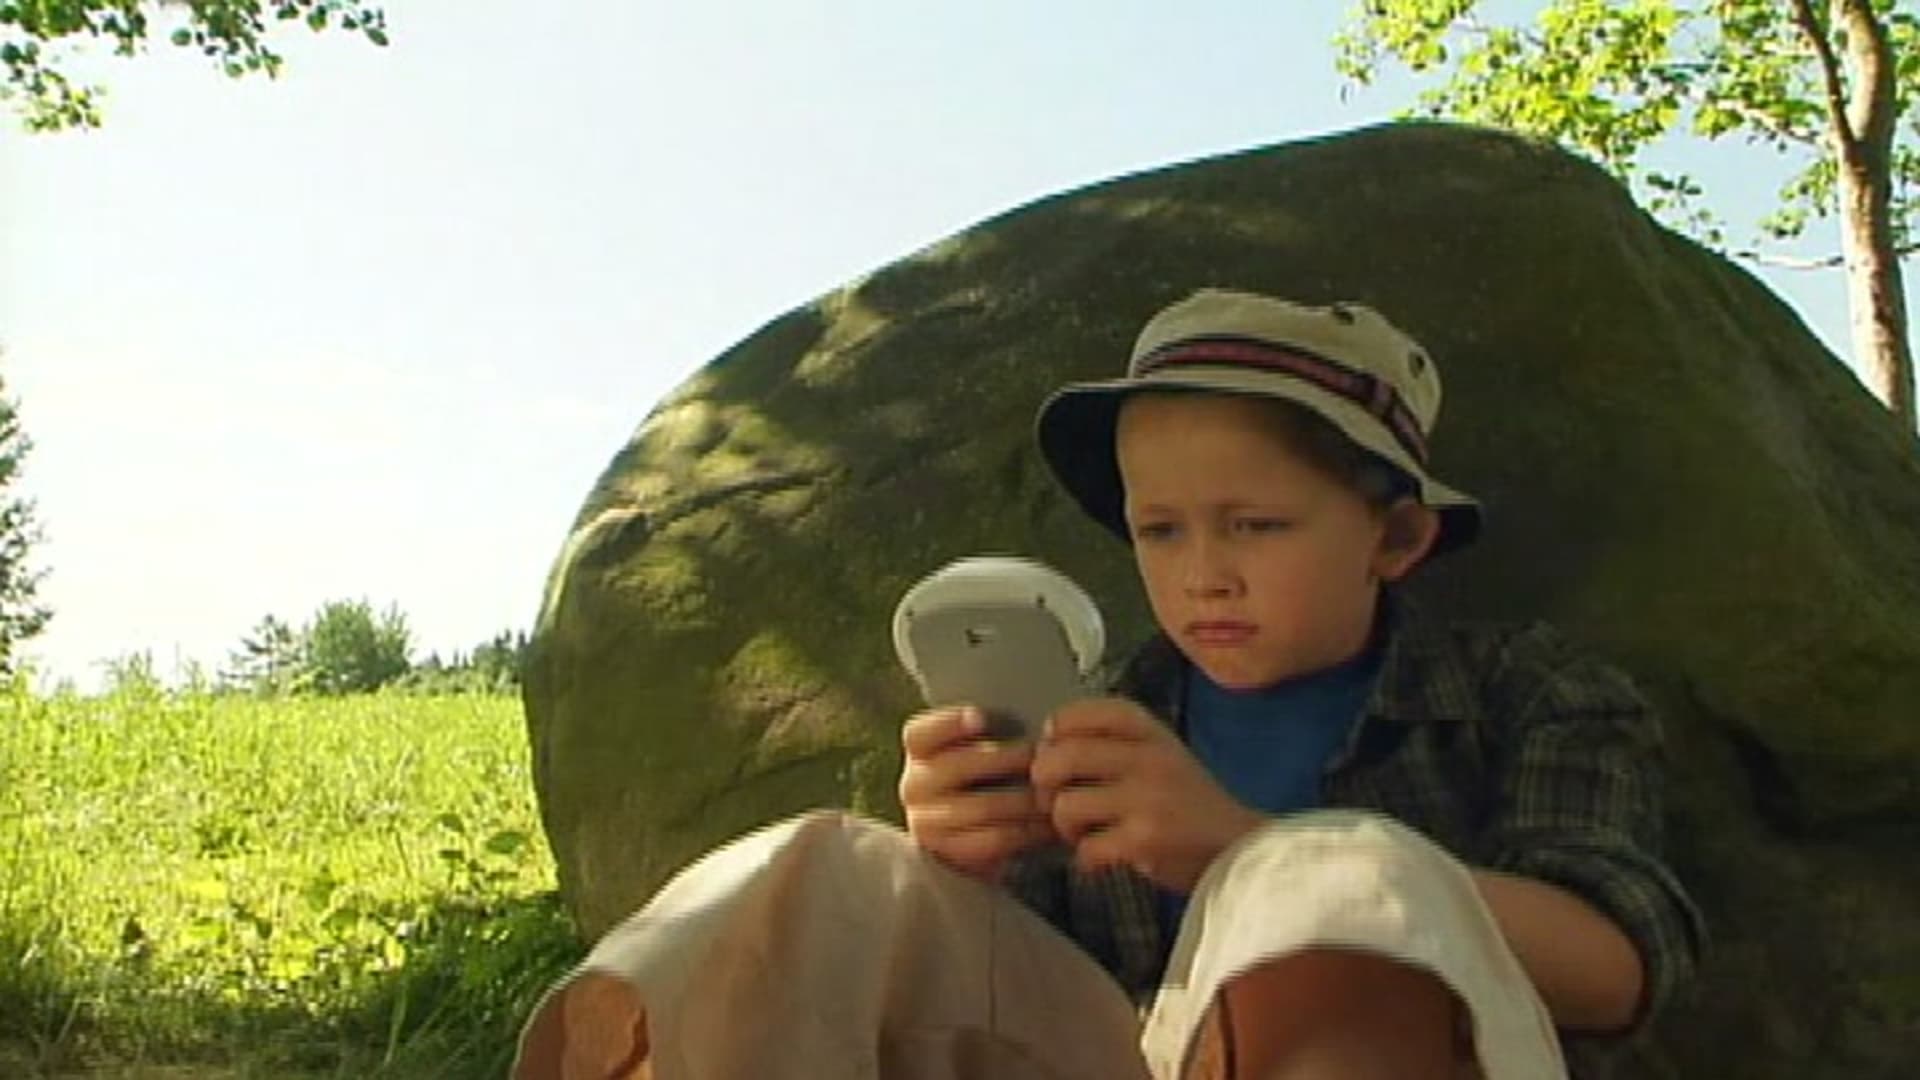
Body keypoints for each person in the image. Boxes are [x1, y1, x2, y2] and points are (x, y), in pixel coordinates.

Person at [513, 289, 1704, 1080]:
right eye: (1160, 530)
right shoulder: (1106, 718)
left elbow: (1618, 968)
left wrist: (1241, 846)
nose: (1204, 575)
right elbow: (1006, 997)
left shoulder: (1529, 690)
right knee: (817, 871)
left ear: (1394, 539)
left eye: (1256, 525)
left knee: (1335, 870)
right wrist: (961, 869)